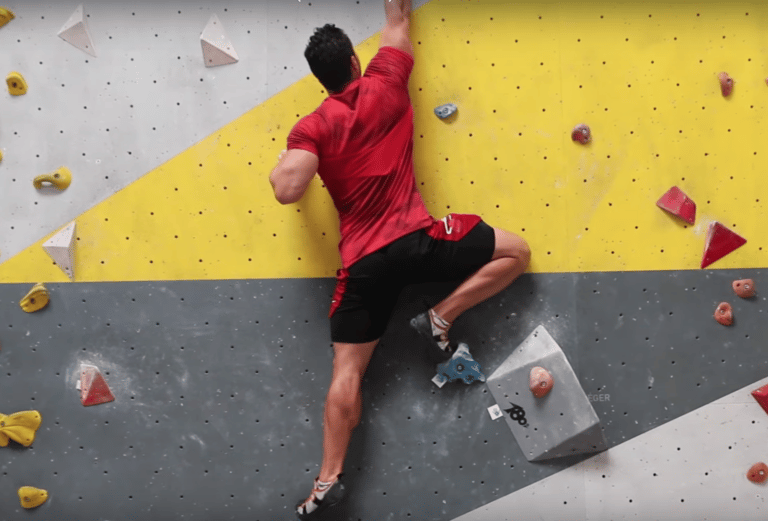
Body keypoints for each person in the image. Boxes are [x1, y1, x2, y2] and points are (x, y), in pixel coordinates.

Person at [269, 1, 531, 518]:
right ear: (352, 62)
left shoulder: (313, 127)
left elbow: (286, 189)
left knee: (347, 374)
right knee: (516, 252)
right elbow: (397, 20)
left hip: (365, 266)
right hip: (419, 241)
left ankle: (326, 482)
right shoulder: (386, 79)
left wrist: (296, 157)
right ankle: (441, 316)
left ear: (321, 79)